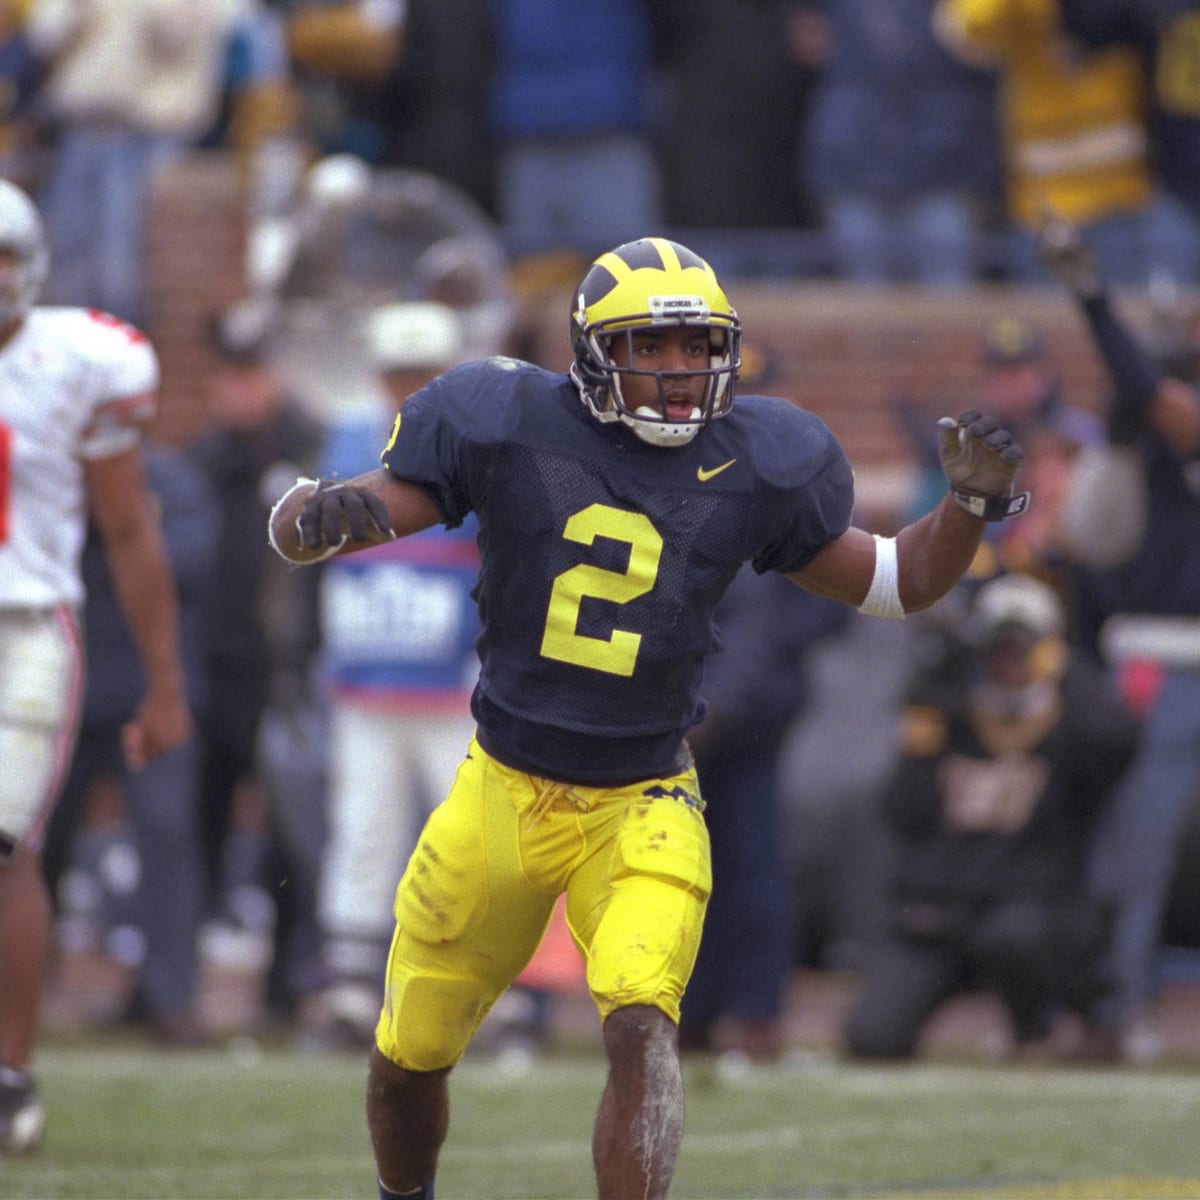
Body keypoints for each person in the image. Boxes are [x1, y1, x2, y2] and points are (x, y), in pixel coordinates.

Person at [266, 236, 1028, 1200]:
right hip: (501, 787)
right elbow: (379, 504)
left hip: (644, 797)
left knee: (640, 1016)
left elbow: (893, 581)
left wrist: (964, 506)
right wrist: (318, 519)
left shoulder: (756, 459)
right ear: (592, 355)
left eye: (695, 348)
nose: (676, 373)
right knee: (409, 1052)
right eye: (649, 349)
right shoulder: (508, 420)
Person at [0, 179, 190, 1153]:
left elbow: (126, 527)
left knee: (5, 842)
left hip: (26, 624)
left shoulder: (78, 359)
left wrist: (164, 679)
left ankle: (11, 1074)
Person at [842, 572, 1140, 1062]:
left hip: (1031, 914)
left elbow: (1120, 741)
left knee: (1017, 937)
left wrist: (1060, 665)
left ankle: (1035, 1031)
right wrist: (926, 695)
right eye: (998, 647)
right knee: (872, 1036)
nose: (1008, 662)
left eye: (1021, 648)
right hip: (945, 913)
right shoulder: (954, 716)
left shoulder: (1071, 724)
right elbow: (902, 807)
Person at [1039, 212, 1200, 1060]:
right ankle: (1113, 1007)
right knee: (1133, 849)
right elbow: (1143, 388)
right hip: (1166, 660)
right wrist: (1092, 296)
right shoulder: (1168, 426)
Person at [310, 300, 480, 1050]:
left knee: (469, 830)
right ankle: (350, 986)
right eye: (399, 373)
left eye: (423, 373)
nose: (410, 388)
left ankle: (486, 987)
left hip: (454, 679)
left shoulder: (476, 442)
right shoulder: (347, 435)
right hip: (368, 675)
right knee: (364, 830)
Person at [40, 441, 218, 1047]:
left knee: (166, 838)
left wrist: (121, 526)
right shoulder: (54, 476)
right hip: (63, 685)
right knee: (33, 846)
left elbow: (192, 561)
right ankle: (24, 990)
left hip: (153, 691)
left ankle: (169, 998)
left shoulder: (171, 480)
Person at [681, 565, 850, 1061]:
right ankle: (692, 1009)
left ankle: (755, 1012)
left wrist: (718, 706)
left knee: (752, 865)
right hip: (687, 712)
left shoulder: (775, 498)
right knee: (681, 867)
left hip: (746, 718)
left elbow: (788, 618)